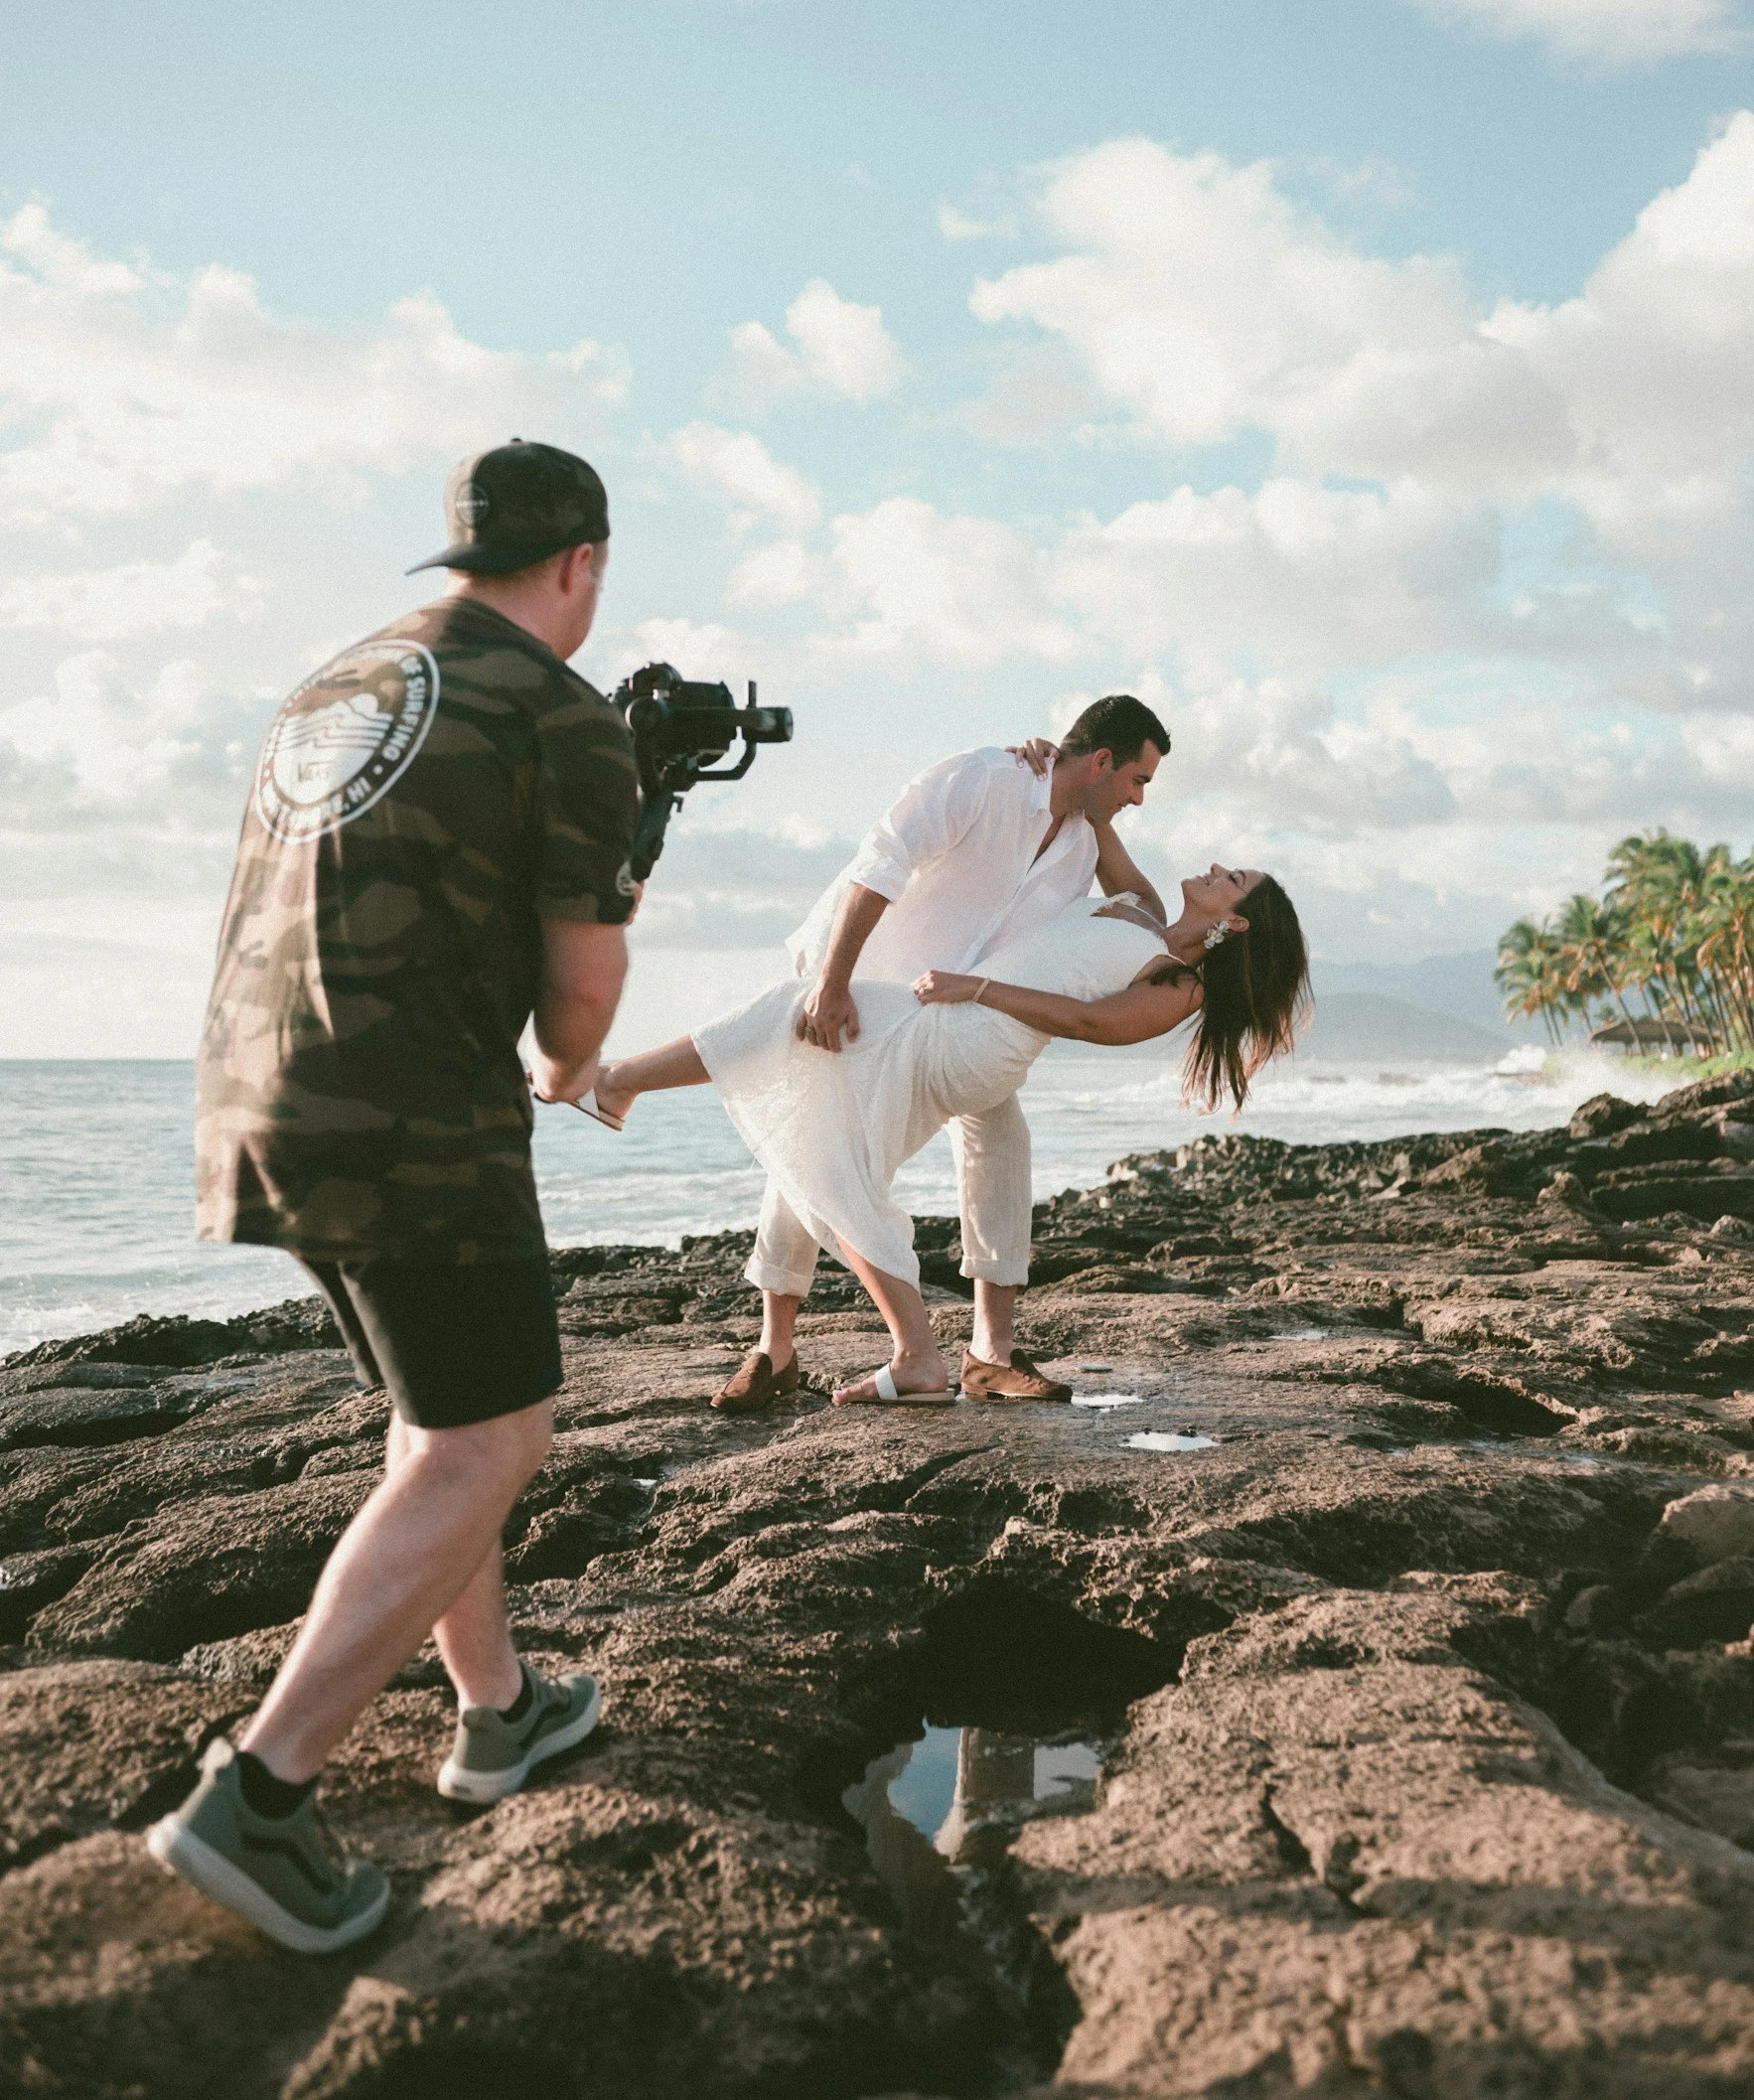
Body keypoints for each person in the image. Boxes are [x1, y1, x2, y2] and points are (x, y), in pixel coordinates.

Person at [148, 440, 640, 1954]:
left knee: (443, 1421)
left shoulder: (336, 683)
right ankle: (262, 1794)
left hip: (260, 1090)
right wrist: (581, 1027)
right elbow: (574, 1008)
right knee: (494, 1435)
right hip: (413, 1111)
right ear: (583, 566)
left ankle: (496, 1711)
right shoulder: (560, 713)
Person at [592, 864, 1308, 1404]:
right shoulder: (1140, 905)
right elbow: (1095, 802)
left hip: (964, 1035)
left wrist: (979, 987)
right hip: (950, 1026)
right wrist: (1044, 757)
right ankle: (803, 1353)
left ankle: (619, 1081)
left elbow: (1091, 1024)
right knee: (814, 1132)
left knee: (792, 1022)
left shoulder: (1183, 982)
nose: (1217, 868)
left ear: (1237, 923)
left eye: (1233, 879)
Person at [696, 696, 1172, 1412]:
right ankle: (774, 1349)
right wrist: (831, 984)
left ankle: (990, 1355)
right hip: (864, 991)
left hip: (953, 1019)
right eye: (1138, 780)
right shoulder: (986, 778)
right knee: (817, 1148)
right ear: (1102, 759)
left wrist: (1093, 811)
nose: (1139, 799)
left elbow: (1145, 904)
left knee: (1002, 1138)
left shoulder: (1078, 847)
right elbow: (880, 863)